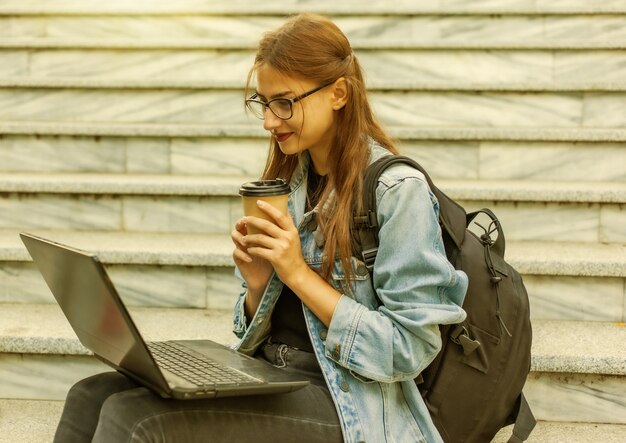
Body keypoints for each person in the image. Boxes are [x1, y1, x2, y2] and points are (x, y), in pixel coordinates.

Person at [53, 13, 467, 443]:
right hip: (277, 375)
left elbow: (410, 348)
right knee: (91, 393)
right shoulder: (288, 186)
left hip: (353, 404)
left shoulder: (398, 191)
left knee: (135, 417)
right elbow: (267, 330)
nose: (270, 121)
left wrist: (297, 274)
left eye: (284, 102)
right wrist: (257, 287)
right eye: (264, 103)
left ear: (339, 93)